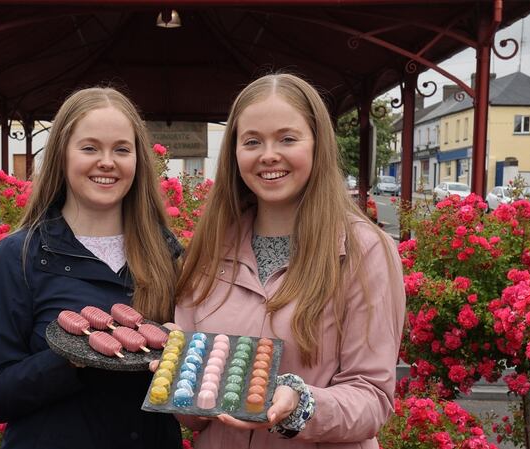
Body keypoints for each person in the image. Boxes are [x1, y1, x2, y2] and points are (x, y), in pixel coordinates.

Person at [173, 73, 406, 449]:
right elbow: (192, 418)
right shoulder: (208, 251)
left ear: (317, 145)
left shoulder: (365, 251)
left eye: (287, 138)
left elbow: (373, 397)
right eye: (252, 141)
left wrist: (302, 405)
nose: (268, 154)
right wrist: (184, 375)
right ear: (235, 152)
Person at [0, 87, 183, 449]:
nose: (107, 161)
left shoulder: (168, 255)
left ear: (138, 160)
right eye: (89, 148)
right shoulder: (19, 257)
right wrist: (74, 358)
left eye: (121, 149)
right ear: (61, 156)